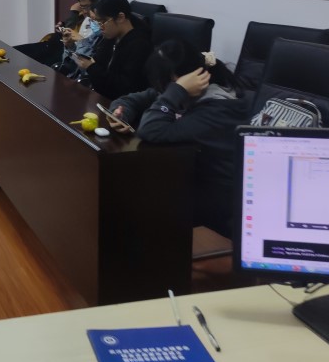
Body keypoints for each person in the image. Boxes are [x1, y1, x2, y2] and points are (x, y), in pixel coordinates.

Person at [107, 38, 251, 237]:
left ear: (182, 78)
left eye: (166, 84)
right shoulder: (183, 90)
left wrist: (177, 90)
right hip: (185, 174)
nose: (161, 90)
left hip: (214, 200)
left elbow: (151, 129)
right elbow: (131, 99)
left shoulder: (218, 109)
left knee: (130, 206)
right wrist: (121, 112)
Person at [71, 0, 151, 99]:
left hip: (121, 104)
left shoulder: (140, 45)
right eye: (97, 22)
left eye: (102, 22)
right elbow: (98, 62)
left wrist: (91, 67)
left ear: (120, 17)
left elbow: (124, 88)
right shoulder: (111, 37)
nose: (100, 27)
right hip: (101, 97)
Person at [13, 0, 108, 67]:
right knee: (14, 53)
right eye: (82, 7)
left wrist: (80, 40)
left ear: (99, 1)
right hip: (60, 49)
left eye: (86, 7)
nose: (84, 11)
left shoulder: (107, 28)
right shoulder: (87, 19)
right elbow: (73, 56)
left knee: (30, 62)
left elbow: (90, 60)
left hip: (62, 55)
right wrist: (69, 44)